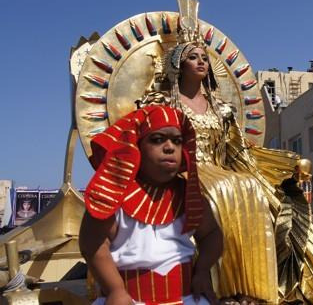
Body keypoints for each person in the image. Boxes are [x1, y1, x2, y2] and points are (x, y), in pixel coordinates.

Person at [136, 0, 313, 304]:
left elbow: (241, 151)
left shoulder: (221, 109)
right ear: (178, 65)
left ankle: (255, 291)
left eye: (204, 57)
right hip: (183, 171)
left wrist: (286, 164)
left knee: (253, 189)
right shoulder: (163, 104)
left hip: (222, 170)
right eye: (193, 57)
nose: (201, 61)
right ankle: (221, 287)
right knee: (221, 192)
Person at [79, 105, 223, 305]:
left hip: (186, 297)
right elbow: (92, 245)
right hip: (128, 299)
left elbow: (211, 234)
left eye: (177, 141)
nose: (170, 147)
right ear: (136, 146)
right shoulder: (113, 193)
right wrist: (115, 289)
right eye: (157, 139)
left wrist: (203, 270)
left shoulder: (188, 194)